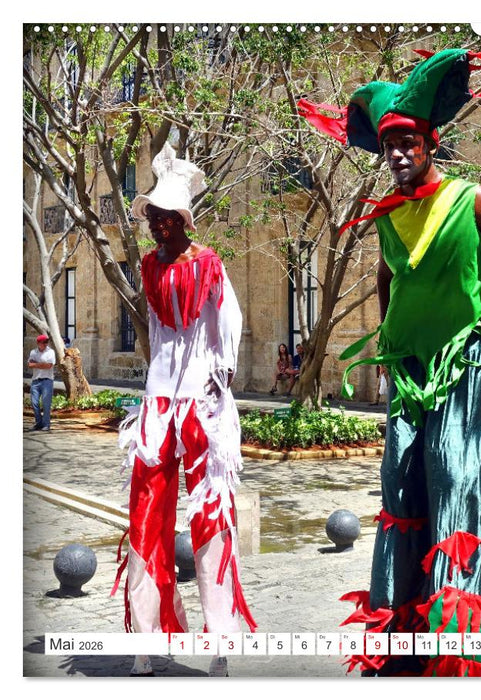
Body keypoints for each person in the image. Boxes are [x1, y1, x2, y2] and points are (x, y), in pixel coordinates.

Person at [300, 44, 481, 677]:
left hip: (463, 366)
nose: (398, 154)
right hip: (409, 372)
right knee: (402, 488)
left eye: (408, 143)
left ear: (429, 145)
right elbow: (385, 276)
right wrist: (386, 340)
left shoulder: (471, 199)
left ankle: (453, 649)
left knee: (455, 485)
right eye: (389, 146)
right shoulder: (389, 216)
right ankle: (402, 633)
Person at [118, 143, 256, 677]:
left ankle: (221, 639)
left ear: (182, 219)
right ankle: (146, 639)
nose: (155, 227)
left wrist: (217, 386)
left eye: (163, 218)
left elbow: (228, 326)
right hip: (158, 404)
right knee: (145, 517)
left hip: (200, 402)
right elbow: (156, 332)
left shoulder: (209, 263)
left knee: (210, 516)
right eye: (151, 217)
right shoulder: (150, 267)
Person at [27, 334, 55, 432]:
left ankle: (46, 424)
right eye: (44, 342)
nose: (46, 344)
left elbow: (49, 366)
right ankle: (39, 423)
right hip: (35, 381)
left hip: (47, 381)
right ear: (38, 343)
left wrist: (36, 364)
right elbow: (30, 365)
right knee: (34, 403)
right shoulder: (33, 352)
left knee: (46, 404)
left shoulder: (50, 352)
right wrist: (41, 364)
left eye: (47, 342)